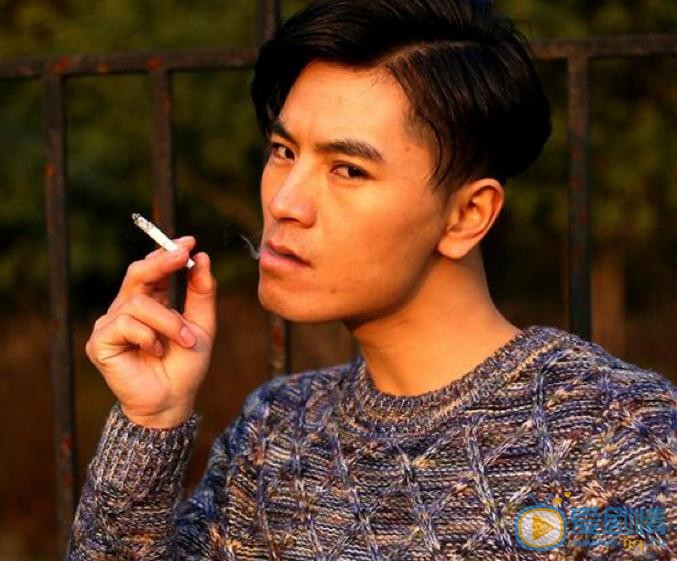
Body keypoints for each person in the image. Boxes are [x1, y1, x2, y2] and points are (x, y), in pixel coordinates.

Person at [68, 0, 675, 559]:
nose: (284, 202)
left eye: (348, 170)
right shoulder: (277, 432)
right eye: (283, 151)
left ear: (467, 215)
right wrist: (151, 425)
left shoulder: (620, 441)